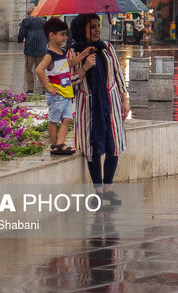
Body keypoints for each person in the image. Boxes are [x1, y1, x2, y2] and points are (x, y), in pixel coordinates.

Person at [67, 14, 129, 206]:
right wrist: (85, 67)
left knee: (113, 145)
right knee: (92, 147)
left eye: (98, 26)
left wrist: (125, 98)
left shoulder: (107, 48)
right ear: (81, 29)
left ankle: (108, 188)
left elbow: (118, 74)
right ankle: (98, 191)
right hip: (88, 105)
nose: (97, 30)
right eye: (92, 27)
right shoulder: (73, 53)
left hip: (111, 103)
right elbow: (68, 82)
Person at [36, 18, 80, 156]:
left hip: (66, 93)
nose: (65, 37)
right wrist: (47, 87)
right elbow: (39, 70)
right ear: (52, 35)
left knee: (67, 119)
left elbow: (70, 63)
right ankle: (56, 145)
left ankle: (59, 144)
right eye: (62, 34)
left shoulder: (62, 52)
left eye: (66, 34)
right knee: (54, 120)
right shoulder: (50, 55)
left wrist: (84, 54)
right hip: (56, 94)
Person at [18, 5, 48, 94]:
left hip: (30, 49)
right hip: (41, 49)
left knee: (29, 70)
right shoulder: (44, 21)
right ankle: (45, 87)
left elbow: (21, 34)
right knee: (42, 69)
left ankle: (30, 88)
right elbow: (48, 34)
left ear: (29, 12)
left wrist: (20, 40)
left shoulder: (26, 21)